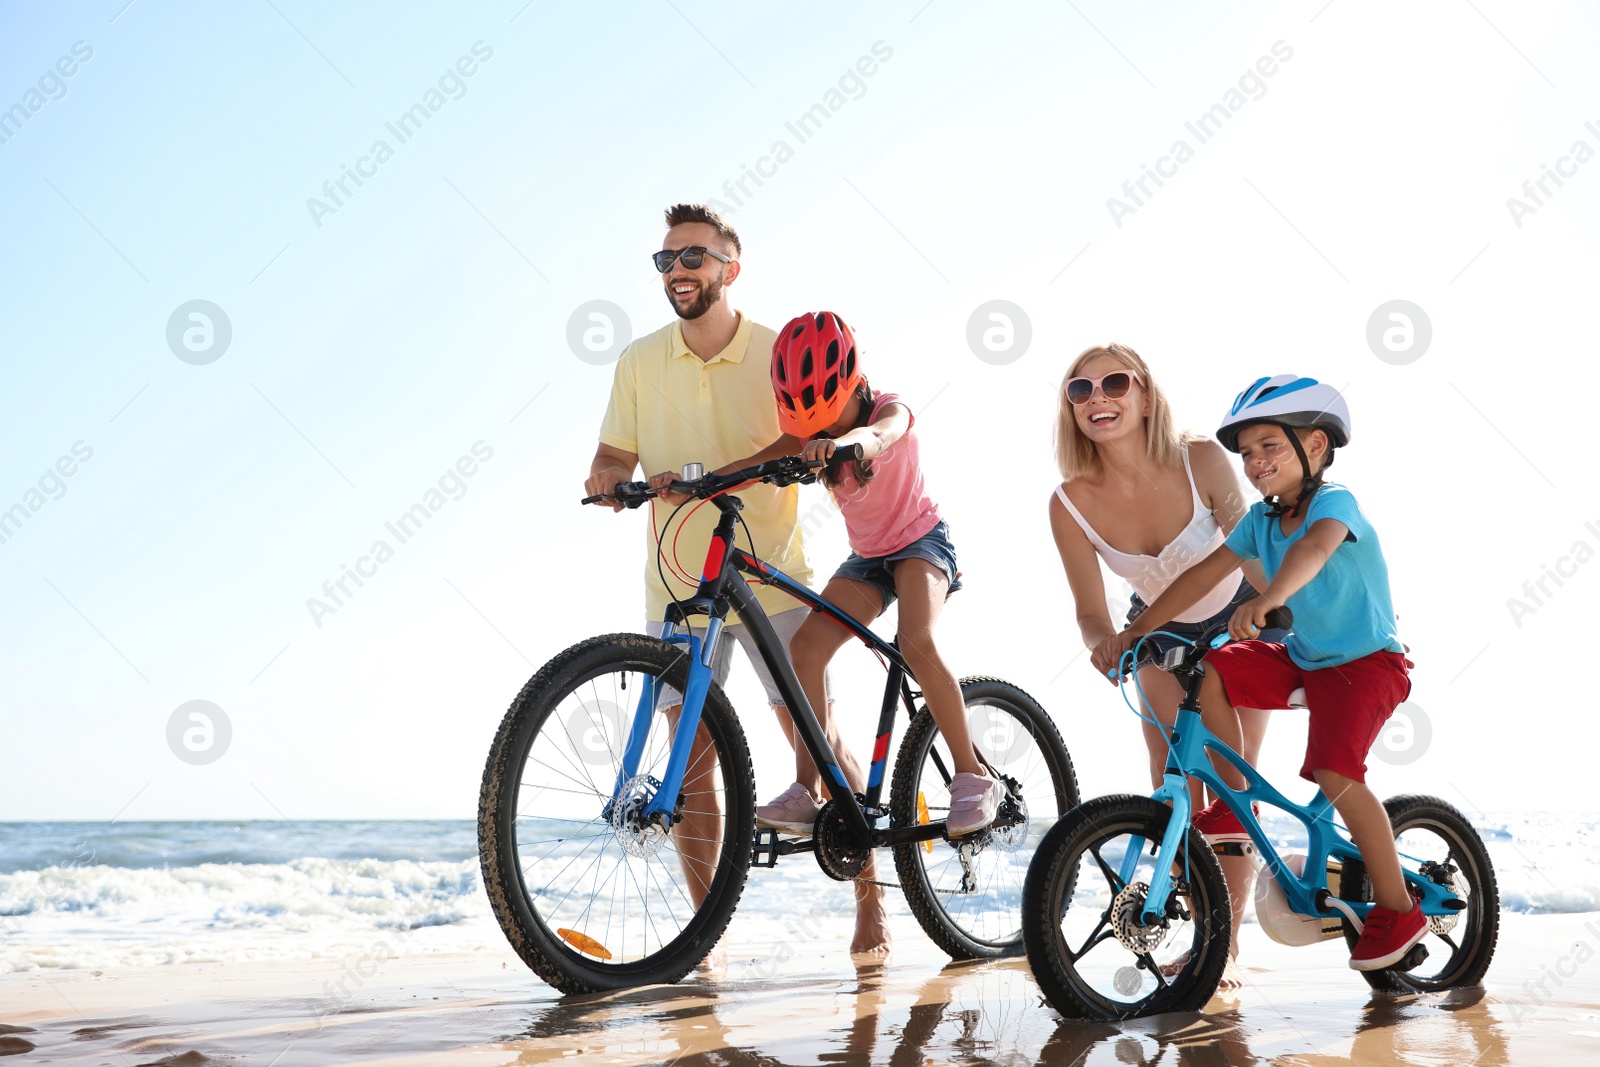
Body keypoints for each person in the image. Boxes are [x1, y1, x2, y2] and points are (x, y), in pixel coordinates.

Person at [585, 205, 884, 957]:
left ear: (730, 267)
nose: (678, 271)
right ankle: (702, 930)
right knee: (690, 760)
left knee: (810, 734)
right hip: (678, 582)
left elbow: (811, 428)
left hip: (771, 570)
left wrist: (749, 469)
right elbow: (610, 457)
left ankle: (871, 900)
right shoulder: (639, 362)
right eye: (666, 261)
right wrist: (611, 483)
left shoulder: (773, 350)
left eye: (693, 256)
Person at [1103, 374, 1421, 972]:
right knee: (1215, 667)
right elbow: (1199, 577)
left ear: (1316, 448)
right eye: (1247, 453)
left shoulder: (1335, 504)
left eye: (1269, 446)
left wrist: (1267, 596)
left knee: (1333, 771)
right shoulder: (1258, 521)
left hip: (1368, 665)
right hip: (1307, 658)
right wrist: (1137, 631)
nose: (1253, 462)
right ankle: (1233, 801)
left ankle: (1400, 906)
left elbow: (1314, 552)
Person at [1049, 342, 1281, 988]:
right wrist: (1103, 643)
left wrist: (1281, 610)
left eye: (1115, 383)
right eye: (1081, 389)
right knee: (1173, 781)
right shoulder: (1067, 503)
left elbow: (1254, 553)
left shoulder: (1201, 457)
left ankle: (1226, 945)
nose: (1099, 397)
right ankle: (1206, 928)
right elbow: (1091, 612)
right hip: (1156, 631)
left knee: (1233, 782)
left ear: (1145, 395)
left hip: (1239, 616)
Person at [750, 310, 998, 844]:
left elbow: (884, 432)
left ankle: (973, 775)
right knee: (807, 648)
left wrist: (848, 444)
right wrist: (695, 482)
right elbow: (758, 460)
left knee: (915, 641)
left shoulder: (890, 407)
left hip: (922, 543)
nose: (820, 424)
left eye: (827, 408)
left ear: (850, 380)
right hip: (868, 560)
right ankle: (806, 791)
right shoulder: (811, 436)